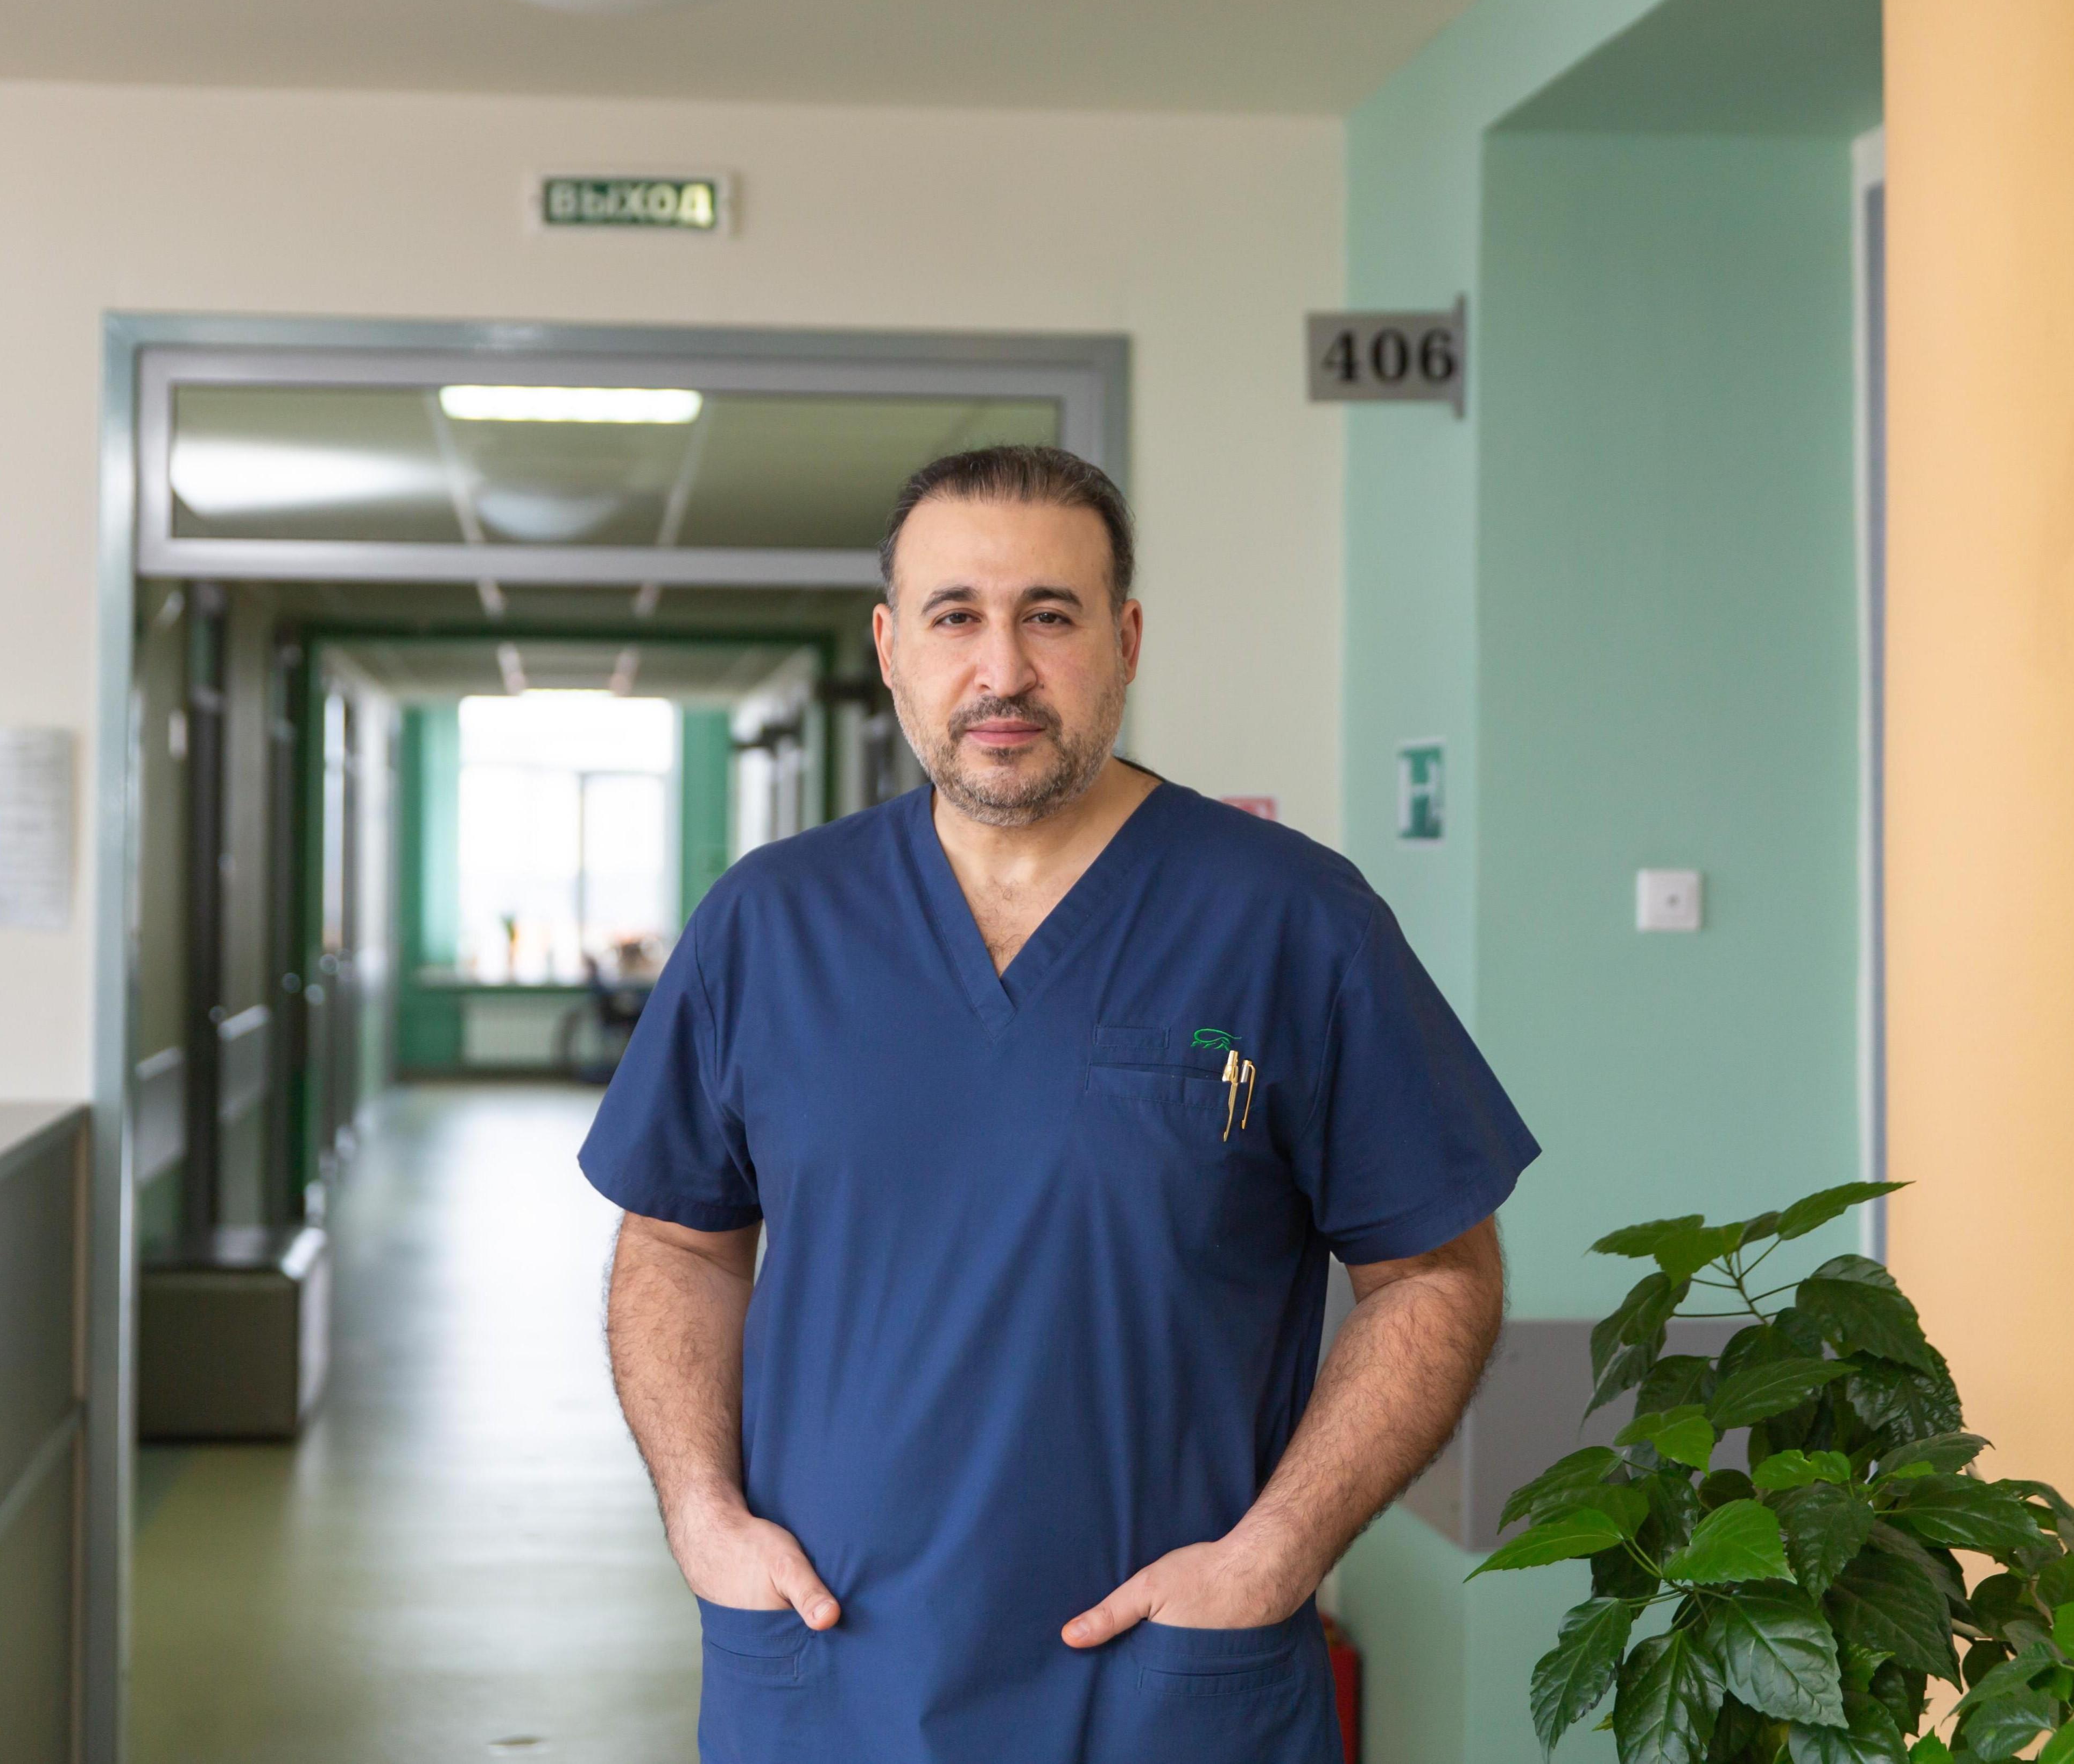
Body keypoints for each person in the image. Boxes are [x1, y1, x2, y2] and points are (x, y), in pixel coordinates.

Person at [580, 444, 1534, 1764]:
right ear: (891, 647)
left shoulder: (1292, 920)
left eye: (1049, 615)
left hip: (1167, 1700)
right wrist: (700, 1512)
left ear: (1125, 640)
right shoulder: (768, 923)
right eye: (955, 616)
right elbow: (677, 1242)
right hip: (831, 1682)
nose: (1003, 670)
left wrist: (1278, 1549)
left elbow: (1436, 1271)